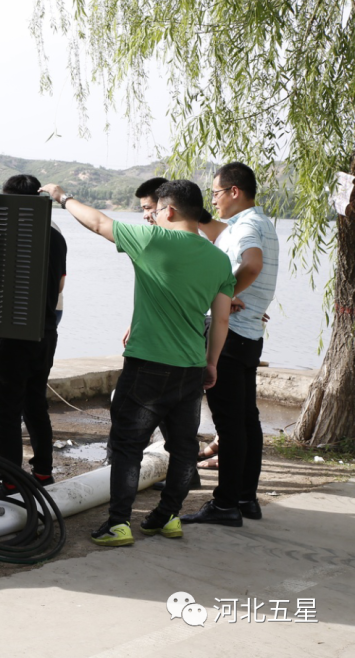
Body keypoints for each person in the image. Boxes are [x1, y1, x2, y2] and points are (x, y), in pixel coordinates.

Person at [39, 179, 235, 547]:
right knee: (182, 446)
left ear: (170, 211)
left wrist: (61, 197)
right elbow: (221, 320)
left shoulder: (152, 240)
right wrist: (211, 363)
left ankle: (119, 523)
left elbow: (98, 223)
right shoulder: (219, 258)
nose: (153, 217)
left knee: (128, 445)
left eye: (156, 210)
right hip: (191, 367)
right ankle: (169, 517)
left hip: (147, 365)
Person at [182, 162, 279, 527]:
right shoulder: (262, 222)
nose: (215, 200)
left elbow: (251, 264)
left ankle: (224, 505)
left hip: (231, 333)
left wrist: (222, 295)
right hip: (250, 334)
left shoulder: (245, 226)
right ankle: (245, 499)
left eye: (217, 193)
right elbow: (223, 235)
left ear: (234, 191)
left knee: (230, 423)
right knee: (246, 419)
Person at [0, 175, 67, 496]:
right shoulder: (56, 236)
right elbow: (60, 284)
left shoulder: (10, 234)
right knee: (35, 404)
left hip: (16, 334)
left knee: (4, 409)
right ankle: (43, 473)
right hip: (47, 332)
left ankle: (10, 480)